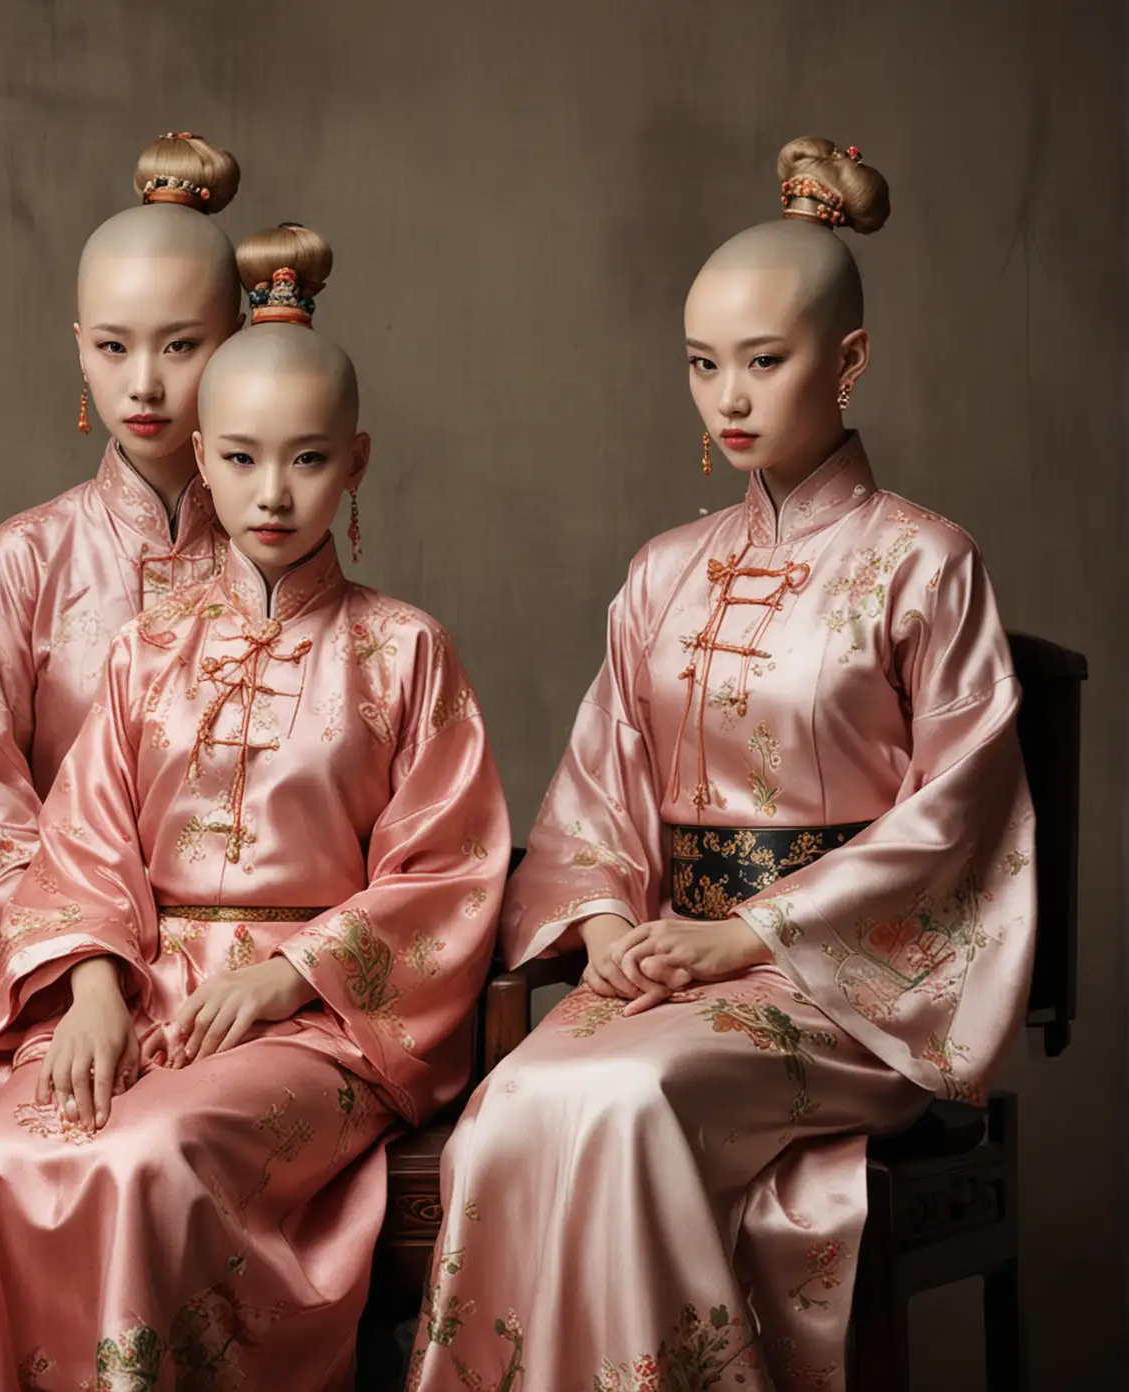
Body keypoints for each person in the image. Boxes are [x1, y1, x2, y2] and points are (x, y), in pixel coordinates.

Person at [408, 138, 1035, 1391]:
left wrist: (745, 939)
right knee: (510, 1117)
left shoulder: (926, 563)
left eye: (765, 360)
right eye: (703, 366)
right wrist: (601, 932)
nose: (729, 398)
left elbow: (956, 815)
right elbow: (600, 787)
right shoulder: (663, 570)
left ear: (848, 361)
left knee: (631, 1103)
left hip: (843, 984)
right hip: (666, 964)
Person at [0, 224, 510, 1390]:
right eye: (239, 461)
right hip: (138, 985)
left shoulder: (406, 650)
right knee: (19, 1150)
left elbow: (447, 874)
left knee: (153, 1148)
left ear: (357, 462)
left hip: (318, 1017)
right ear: (208, 458)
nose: (271, 495)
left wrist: (287, 978)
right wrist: (90, 993)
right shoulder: (144, 650)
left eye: (308, 463)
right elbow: (81, 849)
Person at [0, 132, 246, 979]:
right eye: (114, 347)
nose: (143, 384)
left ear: (239, 337)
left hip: (252, 963)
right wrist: (83, 959)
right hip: (67, 962)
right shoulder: (28, 559)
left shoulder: (284, 557)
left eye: (180, 346)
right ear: (79, 347)